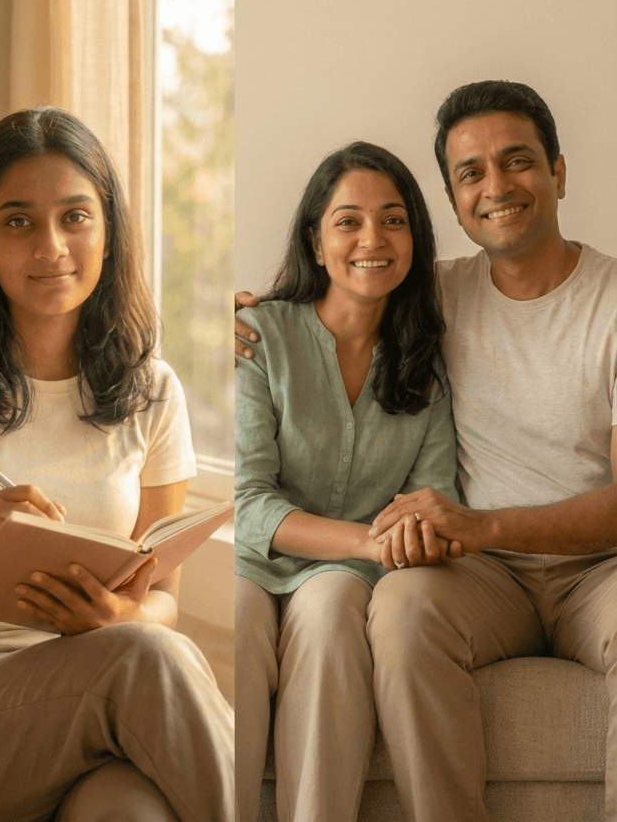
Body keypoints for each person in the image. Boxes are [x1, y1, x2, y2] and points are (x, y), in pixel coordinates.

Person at [237, 81, 617, 821]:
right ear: (452, 200)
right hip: (482, 578)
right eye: (471, 173)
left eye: (518, 163)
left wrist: (486, 527)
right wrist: (238, 317)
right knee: (404, 608)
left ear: (559, 173)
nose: (497, 188)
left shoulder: (610, 303)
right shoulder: (432, 297)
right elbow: (347, 286)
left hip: (597, 568)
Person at [0, 107, 234, 822]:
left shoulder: (154, 392)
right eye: (19, 221)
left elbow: (163, 601)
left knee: (134, 813)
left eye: (76, 217)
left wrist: (121, 614)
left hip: (88, 705)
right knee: (146, 659)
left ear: (108, 231)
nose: (52, 245)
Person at [235, 141, 459, 822]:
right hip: (254, 560)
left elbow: (430, 502)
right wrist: (369, 540)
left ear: (415, 238)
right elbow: (248, 504)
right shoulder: (257, 337)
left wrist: (387, 545)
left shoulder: (427, 366)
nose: (372, 239)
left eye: (393, 220)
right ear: (315, 238)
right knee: (238, 617)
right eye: (348, 221)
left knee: (332, 610)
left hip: (349, 574)